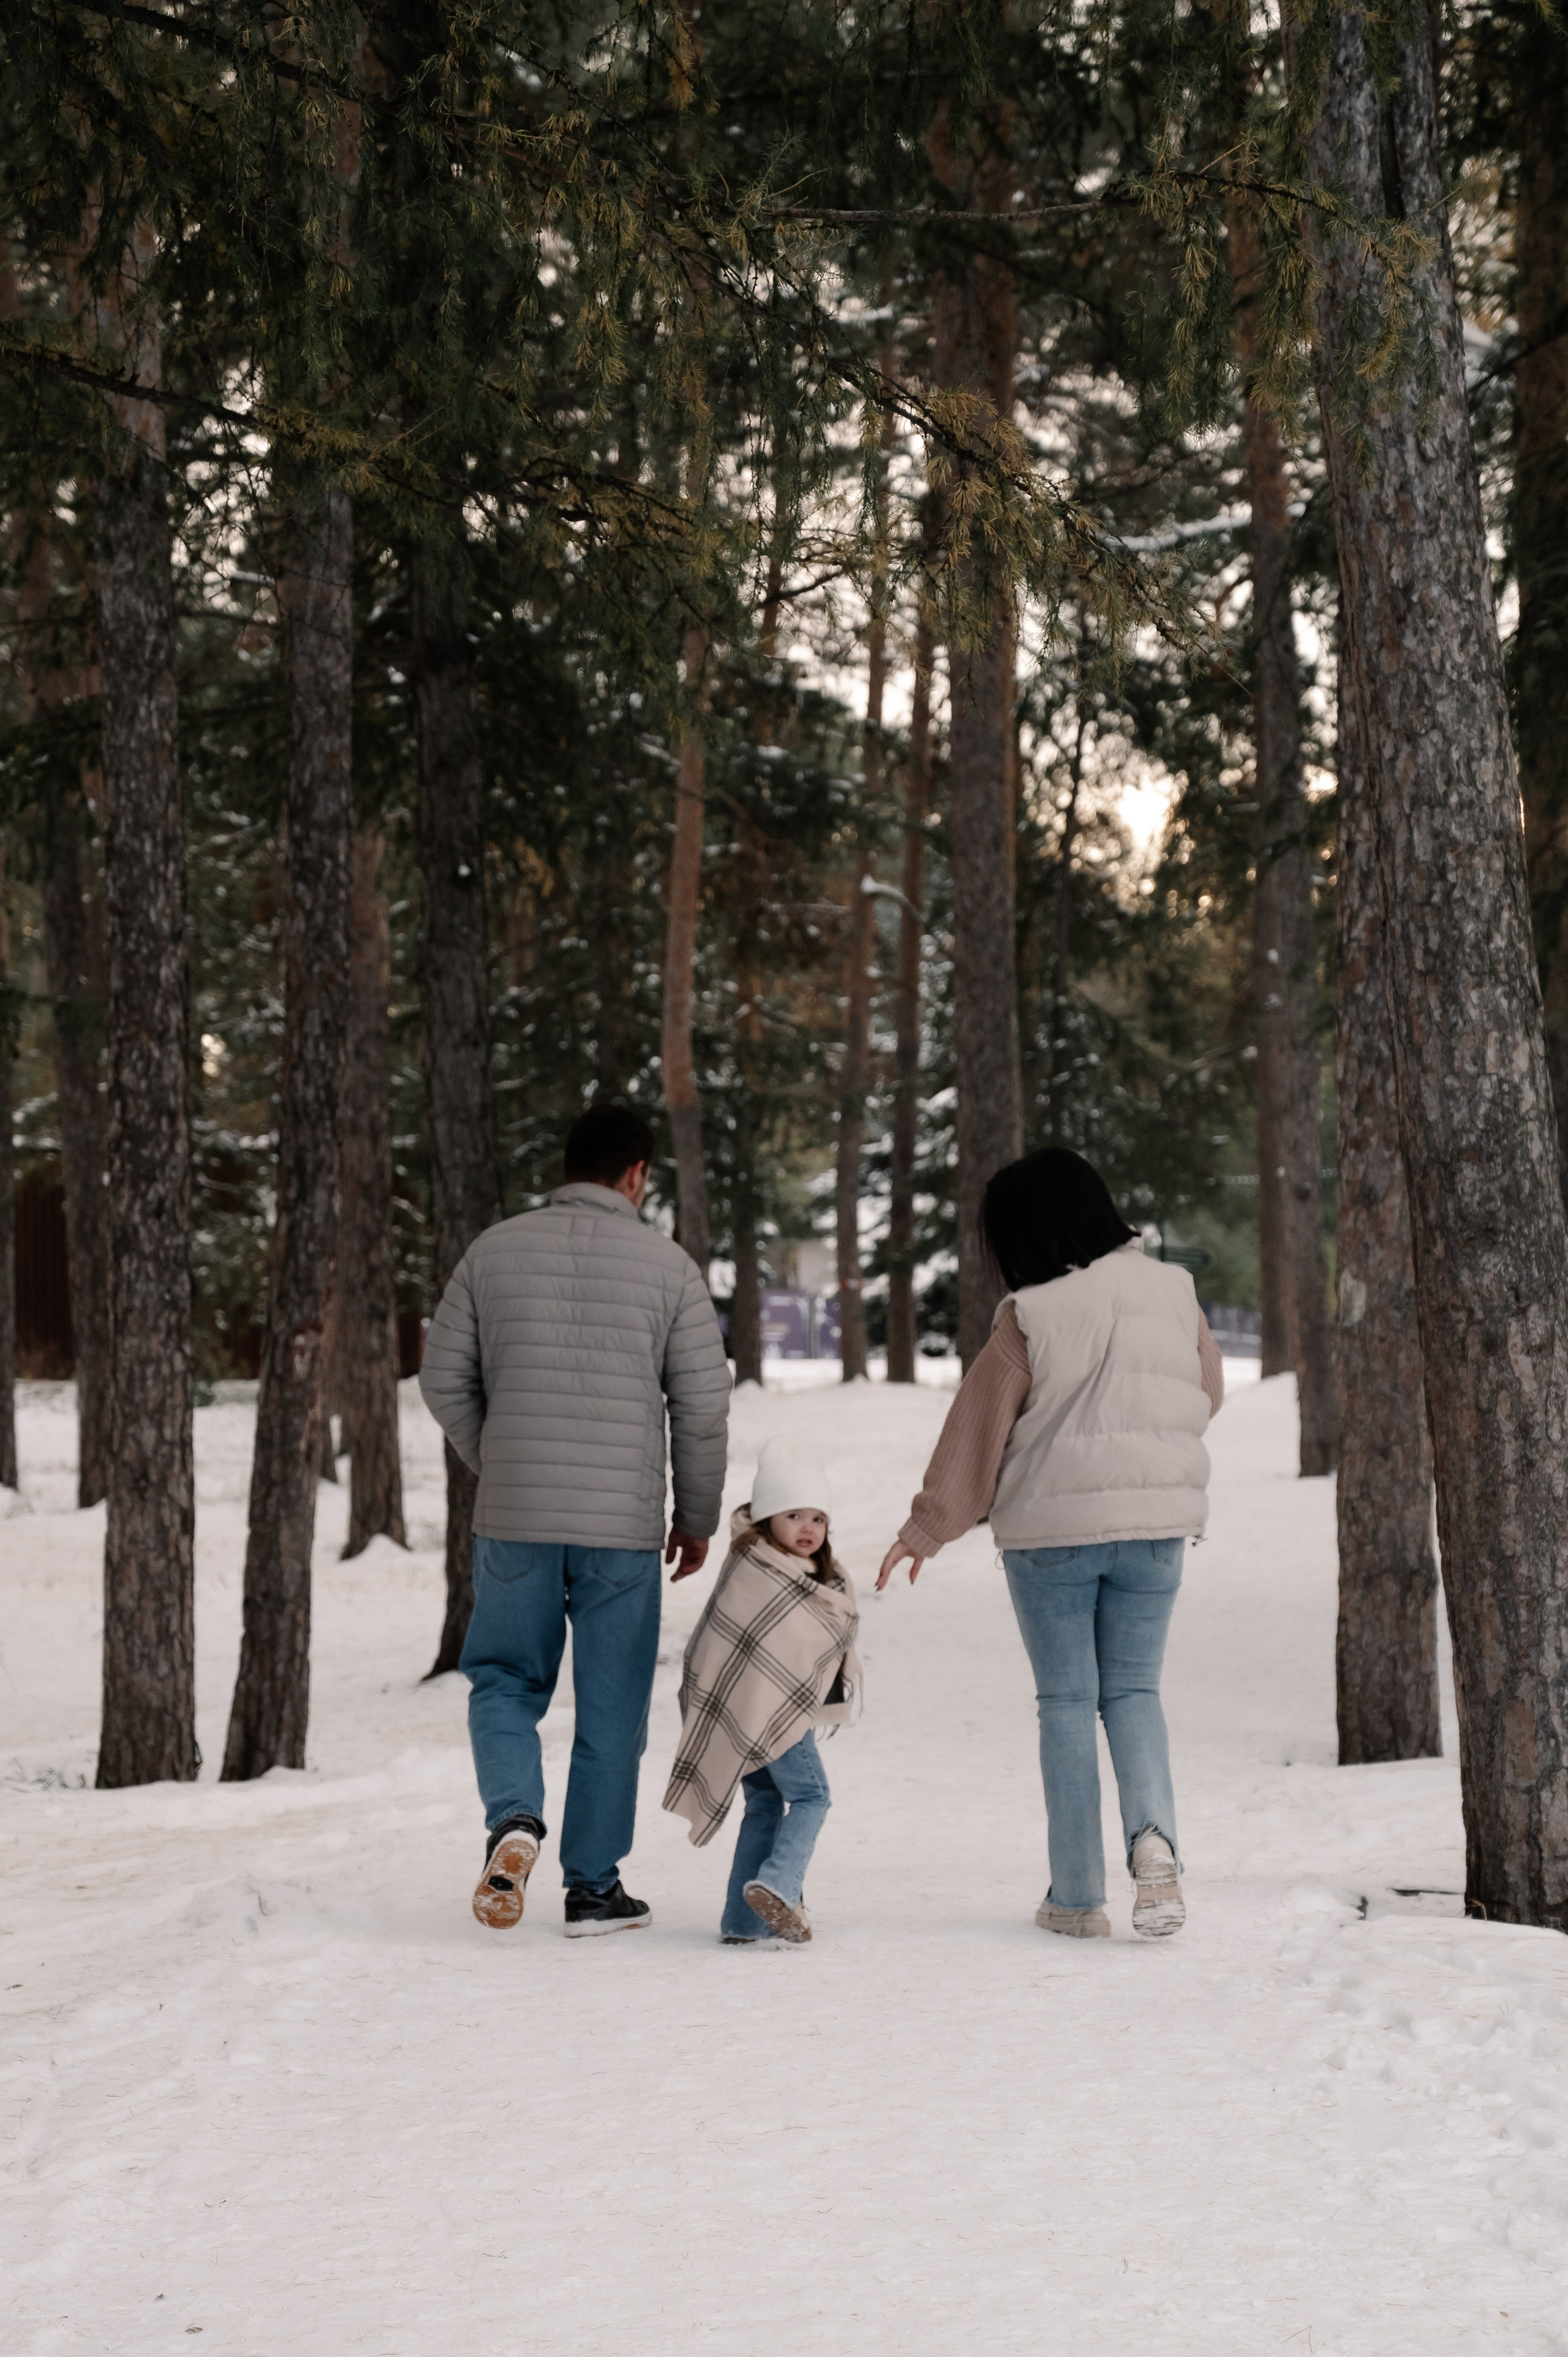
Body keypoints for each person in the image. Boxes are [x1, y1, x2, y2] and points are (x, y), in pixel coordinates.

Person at [878, 1148, 1224, 1941]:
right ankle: (1155, 1842)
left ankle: (1075, 1896)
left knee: (1067, 1701)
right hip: (1156, 1530)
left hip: (1051, 1539)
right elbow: (1205, 1389)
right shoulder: (1174, 1290)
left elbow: (978, 1430)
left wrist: (926, 1527)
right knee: (1134, 1692)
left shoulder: (1028, 1316)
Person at [420, 1103, 731, 1939]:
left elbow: (441, 1376)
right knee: (612, 1706)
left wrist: (499, 1456)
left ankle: (514, 1818)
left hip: (514, 1515)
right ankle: (593, 1888)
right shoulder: (669, 1268)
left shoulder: (492, 1250)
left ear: (568, 1167)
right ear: (636, 1174)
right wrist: (695, 1516)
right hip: (620, 1530)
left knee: (504, 1680)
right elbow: (702, 1406)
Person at [664, 1439, 861, 1947]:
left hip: (745, 1710)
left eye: (818, 1518)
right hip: (773, 1713)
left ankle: (743, 1922)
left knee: (766, 1801)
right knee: (812, 1795)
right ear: (768, 1517)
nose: (808, 1528)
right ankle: (779, 1884)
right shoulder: (761, 1568)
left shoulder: (770, 1565)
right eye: (794, 1515)